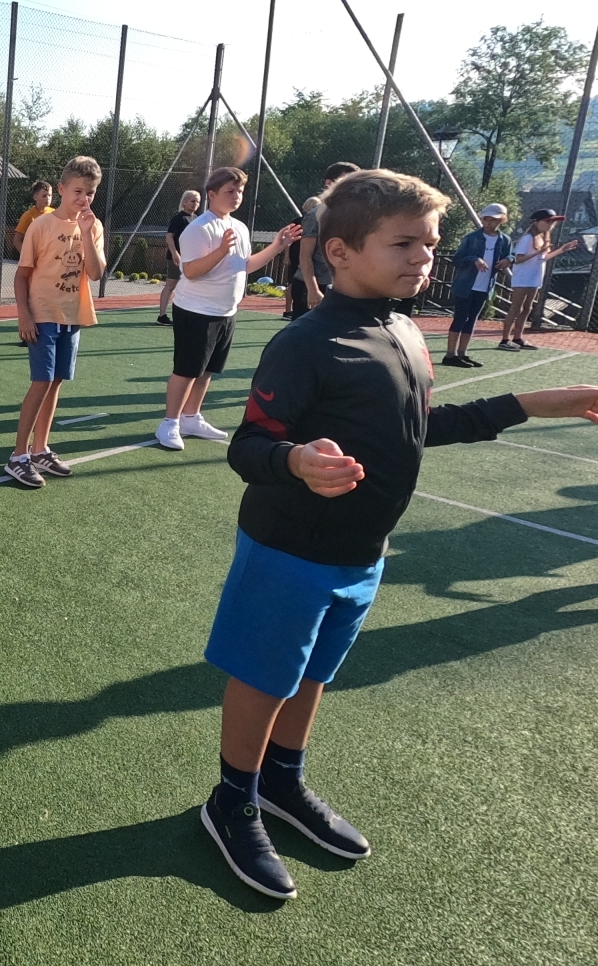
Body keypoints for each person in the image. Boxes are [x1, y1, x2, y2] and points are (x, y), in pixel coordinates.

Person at [198, 168, 598, 901]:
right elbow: (248, 446)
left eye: (431, 243)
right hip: (289, 550)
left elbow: (417, 428)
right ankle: (232, 799)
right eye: (404, 243)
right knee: (265, 677)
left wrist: (536, 402)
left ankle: (283, 780)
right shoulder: (305, 343)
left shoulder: (407, 330)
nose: (424, 257)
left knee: (312, 674)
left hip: (363, 551)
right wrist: (295, 461)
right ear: (340, 251)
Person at [157, 167, 300, 451]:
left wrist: (277, 245)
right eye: (230, 191)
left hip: (225, 311)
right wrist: (220, 251)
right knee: (187, 370)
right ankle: (169, 423)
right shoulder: (199, 228)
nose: (236, 196)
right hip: (196, 310)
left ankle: (191, 417)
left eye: (240, 191)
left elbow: (245, 265)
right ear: (212, 194)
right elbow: (191, 271)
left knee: (207, 369)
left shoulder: (240, 227)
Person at [4, 156, 105, 488]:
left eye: (90, 193)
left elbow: (96, 273)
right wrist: (24, 314)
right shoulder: (41, 226)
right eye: (78, 191)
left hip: (72, 316)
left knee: (57, 381)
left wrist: (86, 232)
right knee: (42, 381)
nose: (84, 198)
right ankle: (18, 455)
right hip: (42, 314)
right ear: (61, 188)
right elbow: (22, 276)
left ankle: (40, 450)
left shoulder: (94, 226)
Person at [442, 202, 513, 368]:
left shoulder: (505, 240)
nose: (488, 222)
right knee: (460, 318)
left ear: (501, 220)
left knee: (472, 319)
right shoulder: (471, 238)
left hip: (485, 286)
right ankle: (450, 355)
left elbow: (510, 255)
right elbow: (457, 260)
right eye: (485, 218)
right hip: (465, 286)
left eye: (492, 219)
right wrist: (474, 259)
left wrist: (509, 260)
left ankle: (462, 353)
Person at [498, 208, 578, 352]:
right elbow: (518, 259)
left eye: (553, 222)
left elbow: (543, 258)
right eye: (548, 221)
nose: (550, 224)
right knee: (516, 308)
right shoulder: (528, 238)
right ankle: (504, 340)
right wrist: (538, 252)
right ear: (536, 222)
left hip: (535, 278)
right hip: (522, 278)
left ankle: (518, 338)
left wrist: (562, 249)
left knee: (527, 308)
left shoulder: (543, 238)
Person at [295, 161, 361, 310]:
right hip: (314, 285)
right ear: (329, 183)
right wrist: (313, 289)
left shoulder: (354, 215)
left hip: (339, 286)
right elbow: (305, 255)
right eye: (346, 181)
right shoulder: (316, 215)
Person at [158, 190, 202, 325]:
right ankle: (162, 316)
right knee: (171, 285)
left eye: (198, 201)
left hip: (191, 258)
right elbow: (169, 237)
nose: (196, 204)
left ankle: (190, 315)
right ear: (184, 202)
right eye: (193, 201)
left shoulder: (196, 219)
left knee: (191, 286)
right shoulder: (178, 218)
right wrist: (175, 253)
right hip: (177, 258)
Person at [283, 196, 320, 322]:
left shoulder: (323, 219)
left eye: (317, 205)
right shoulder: (299, 221)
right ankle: (288, 310)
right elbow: (288, 240)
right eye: (313, 206)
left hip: (311, 257)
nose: (315, 208)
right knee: (292, 282)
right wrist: (287, 256)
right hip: (297, 254)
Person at [12, 180, 54, 254]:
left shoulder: (54, 213)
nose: (48, 198)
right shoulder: (28, 216)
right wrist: (27, 256)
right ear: (35, 197)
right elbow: (17, 240)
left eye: (49, 195)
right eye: (44, 196)